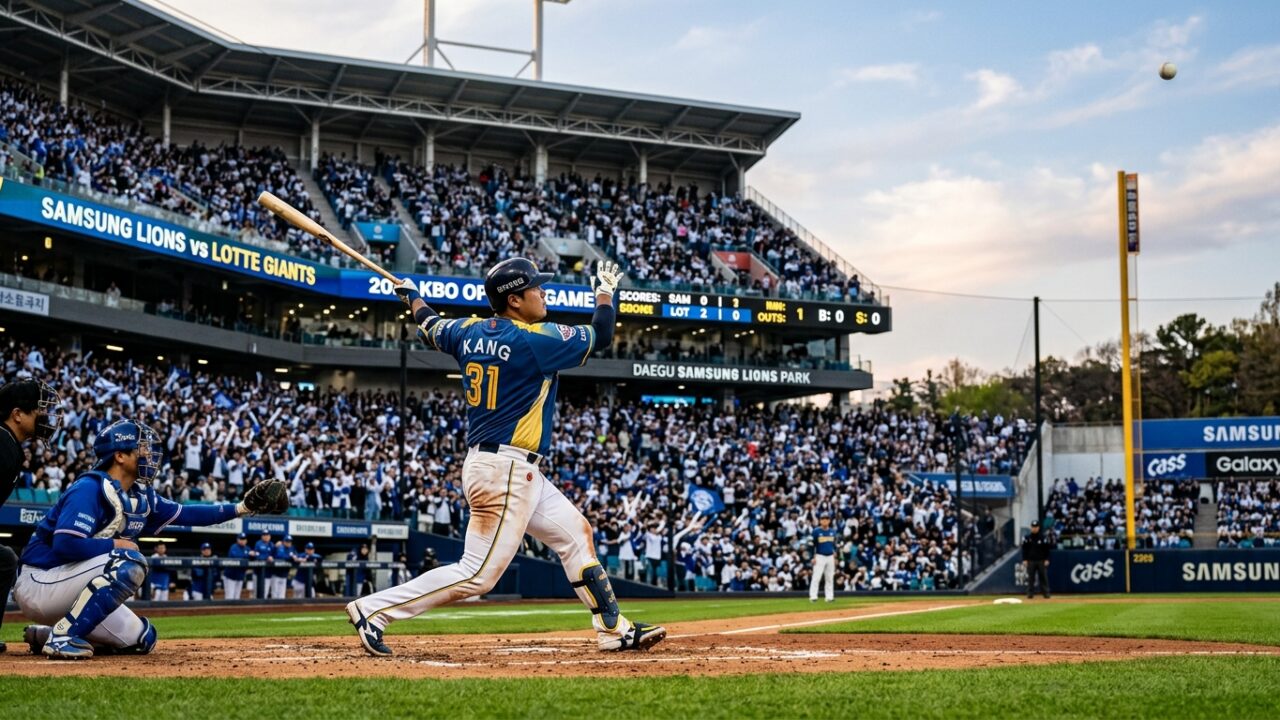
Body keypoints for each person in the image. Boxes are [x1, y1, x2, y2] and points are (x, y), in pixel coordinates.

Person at [345, 258, 665, 656]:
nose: (543, 293)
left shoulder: (467, 330)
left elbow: (431, 326)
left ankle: (613, 628)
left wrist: (412, 297)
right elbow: (600, 334)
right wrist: (604, 292)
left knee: (575, 535)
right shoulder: (534, 339)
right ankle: (373, 610)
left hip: (507, 469)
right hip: (506, 470)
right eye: (536, 288)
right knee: (477, 574)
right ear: (514, 300)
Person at [14, 419, 286, 659]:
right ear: (120, 456)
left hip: (72, 587)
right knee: (129, 561)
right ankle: (63, 637)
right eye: (141, 448)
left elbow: (187, 514)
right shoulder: (89, 488)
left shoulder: (140, 495)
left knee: (142, 639)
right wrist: (115, 544)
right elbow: (65, 544)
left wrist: (242, 508)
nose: (148, 454)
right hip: (41, 579)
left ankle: (47, 633)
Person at [0, 380, 61, 654]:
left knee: (4, 559)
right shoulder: (3, 443)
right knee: (4, 560)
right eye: (38, 410)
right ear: (17, 414)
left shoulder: (8, 443)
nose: (44, 417)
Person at [809, 514, 837, 603]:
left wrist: (835, 553)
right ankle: (813, 596)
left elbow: (835, 544)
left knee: (829, 578)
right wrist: (812, 556)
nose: (825, 521)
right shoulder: (816, 531)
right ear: (820, 521)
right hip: (819, 556)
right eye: (823, 519)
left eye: (827, 519)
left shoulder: (832, 531)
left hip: (830, 556)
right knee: (816, 577)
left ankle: (829, 597)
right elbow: (811, 545)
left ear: (829, 521)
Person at [1021, 519, 1052, 599]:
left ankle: (1046, 593)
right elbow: (1024, 549)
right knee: (1031, 578)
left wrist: (1047, 559)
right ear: (1031, 527)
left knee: (1043, 577)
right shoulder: (1027, 538)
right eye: (1033, 527)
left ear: (1038, 528)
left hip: (1041, 560)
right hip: (1031, 560)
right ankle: (1030, 593)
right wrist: (1025, 559)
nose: (1034, 528)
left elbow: (1047, 549)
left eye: (1036, 527)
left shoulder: (1043, 537)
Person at [224, 533, 250, 600]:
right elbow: (236, 557)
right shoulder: (233, 547)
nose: (242, 541)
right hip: (230, 576)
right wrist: (247, 554)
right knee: (230, 597)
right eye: (241, 539)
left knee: (237, 597)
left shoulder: (247, 548)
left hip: (240, 576)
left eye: (244, 539)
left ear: (246, 540)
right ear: (237, 540)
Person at [252, 530, 274, 599]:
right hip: (257, 573)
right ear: (262, 536)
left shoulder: (272, 544)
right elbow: (256, 555)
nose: (266, 536)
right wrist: (266, 557)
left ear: (270, 536)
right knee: (256, 593)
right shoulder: (258, 543)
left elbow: (275, 555)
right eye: (264, 535)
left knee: (265, 594)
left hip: (268, 573)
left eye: (267, 535)